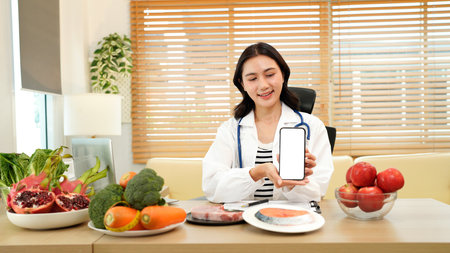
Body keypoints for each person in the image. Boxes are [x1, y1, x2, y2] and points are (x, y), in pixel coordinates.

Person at [202, 42, 334, 203]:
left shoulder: (313, 127)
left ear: (283, 75)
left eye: (270, 75)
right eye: (252, 78)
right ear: (242, 84)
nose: (263, 85)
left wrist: (293, 182)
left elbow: (317, 192)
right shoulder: (230, 129)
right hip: (243, 224)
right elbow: (211, 187)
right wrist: (257, 172)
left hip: (293, 222)